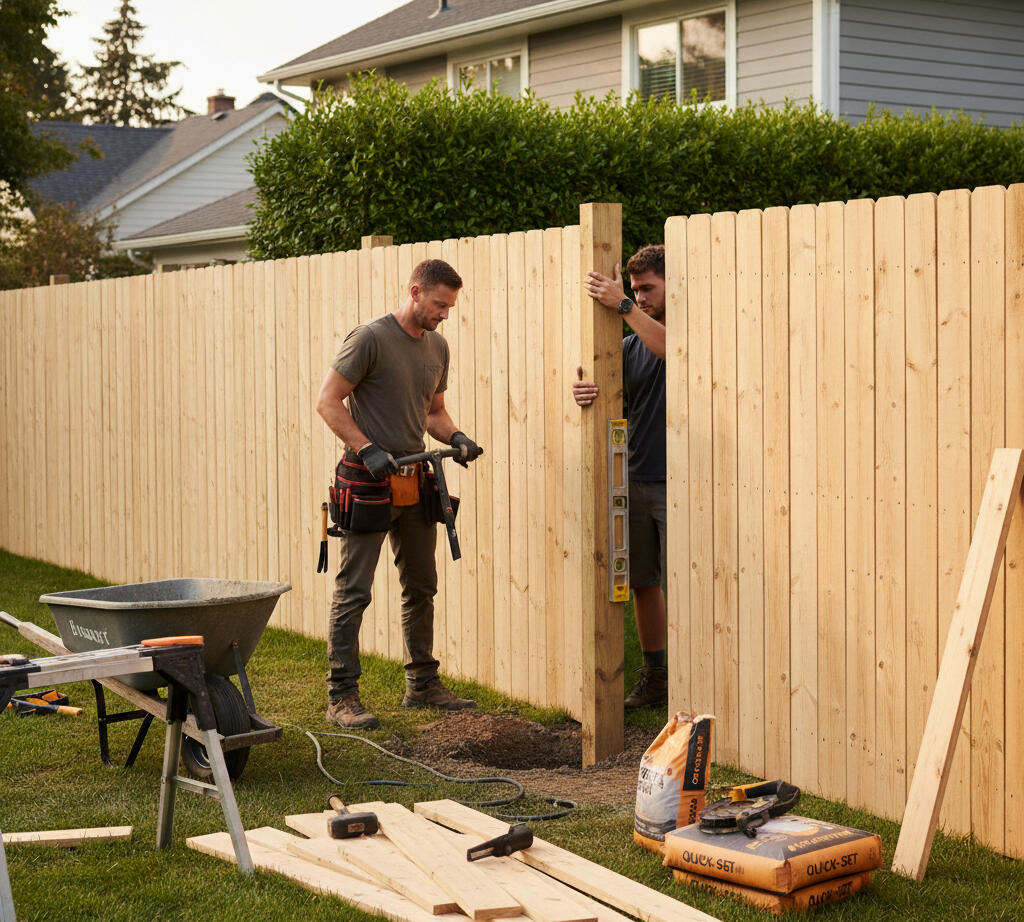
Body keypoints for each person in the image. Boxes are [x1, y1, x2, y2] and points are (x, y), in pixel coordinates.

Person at [316, 258, 484, 729]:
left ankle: (422, 683)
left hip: (414, 478)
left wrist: (457, 437)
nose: (445, 314)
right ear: (415, 292)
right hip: (367, 481)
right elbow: (328, 401)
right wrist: (366, 447)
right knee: (354, 592)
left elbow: (433, 412)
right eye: (439, 305)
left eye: (450, 307)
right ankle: (341, 695)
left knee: (421, 585)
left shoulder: (437, 347)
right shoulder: (369, 338)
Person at [572, 244, 668, 709]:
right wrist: (585, 389)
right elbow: (602, 384)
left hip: (680, 481)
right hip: (637, 474)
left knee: (689, 584)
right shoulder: (630, 346)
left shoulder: (688, 330)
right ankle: (657, 676)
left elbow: (673, 349)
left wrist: (624, 306)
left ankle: (698, 678)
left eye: (648, 288)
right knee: (643, 582)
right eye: (634, 289)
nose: (641, 297)